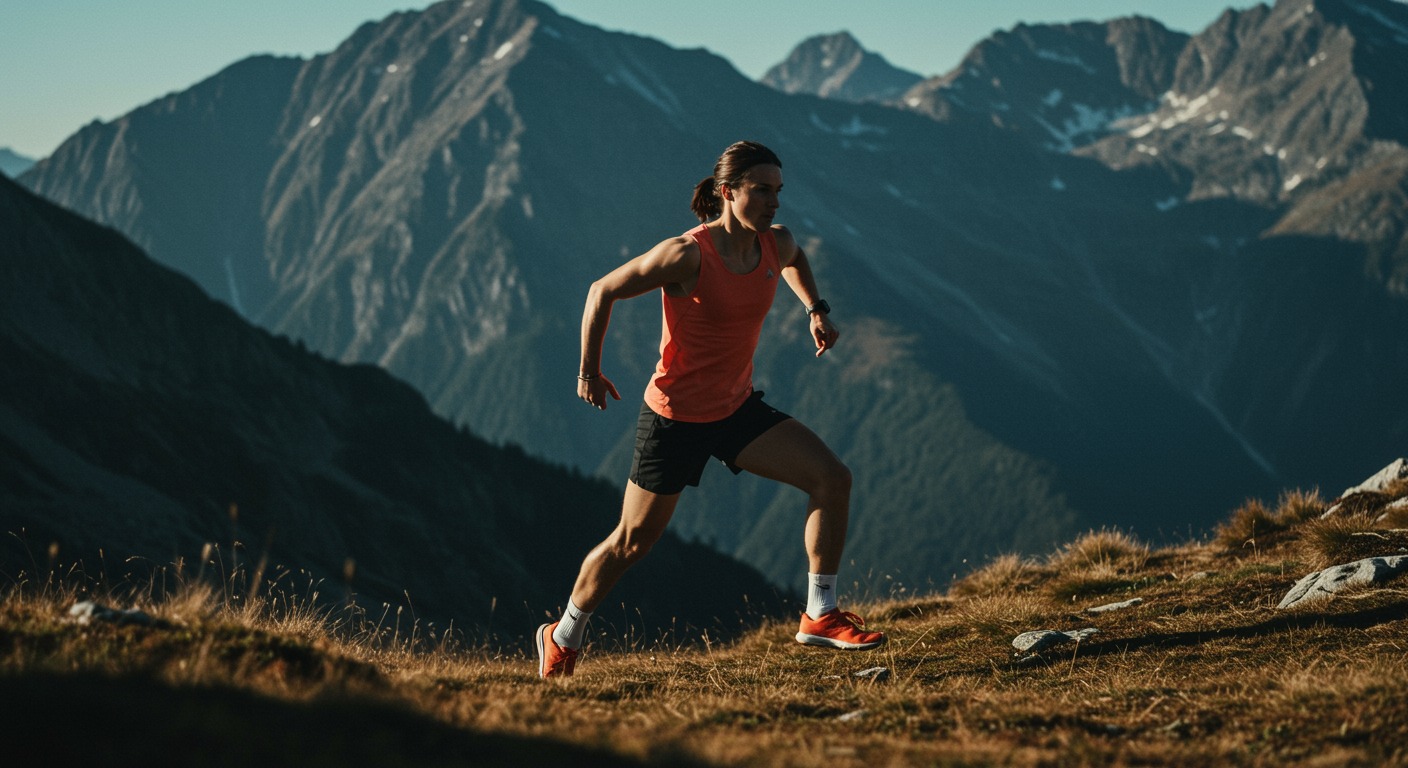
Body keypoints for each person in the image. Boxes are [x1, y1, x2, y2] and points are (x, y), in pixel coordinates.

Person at [536, 140, 885, 678]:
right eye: (761, 190)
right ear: (728, 192)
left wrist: (815, 309)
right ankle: (562, 635)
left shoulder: (776, 242)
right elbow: (600, 291)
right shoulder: (687, 254)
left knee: (832, 479)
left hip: (735, 410)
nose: (773, 202)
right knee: (631, 543)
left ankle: (820, 613)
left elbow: (794, 259)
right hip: (673, 419)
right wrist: (588, 372)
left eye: (778, 191)